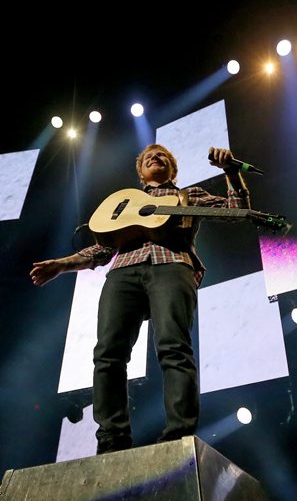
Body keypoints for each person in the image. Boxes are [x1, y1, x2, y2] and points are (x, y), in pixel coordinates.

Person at [30, 144, 251, 454]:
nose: (154, 157)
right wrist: (62, 264)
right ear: (140, 173)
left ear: (173, 169)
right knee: (108, 353)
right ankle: (112, 437)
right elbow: (103, 248)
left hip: (174, 266)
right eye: (148, 157)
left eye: (161, 155)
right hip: (123, 273)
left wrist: (231, 172)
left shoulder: (190, 196)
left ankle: (179, 435)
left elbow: (235, 211)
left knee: (174, 347)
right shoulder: (126, 204)